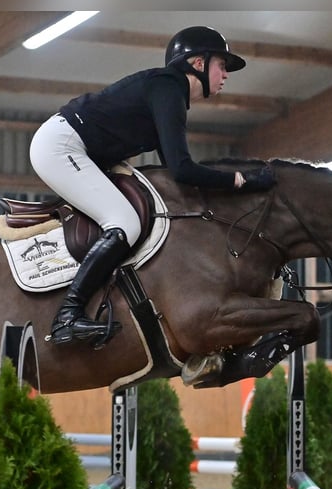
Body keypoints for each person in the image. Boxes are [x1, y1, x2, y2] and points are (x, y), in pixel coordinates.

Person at [30, 25, 277, 346]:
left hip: (74, 148)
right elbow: (183, 169)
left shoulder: (169, 93)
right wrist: (243, 182)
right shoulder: (167, 88)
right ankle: (68, 316)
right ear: (198, 64)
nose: (226, 74)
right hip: (62, 147)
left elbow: (173, 172)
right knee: (124, 222)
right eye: (221, 65)